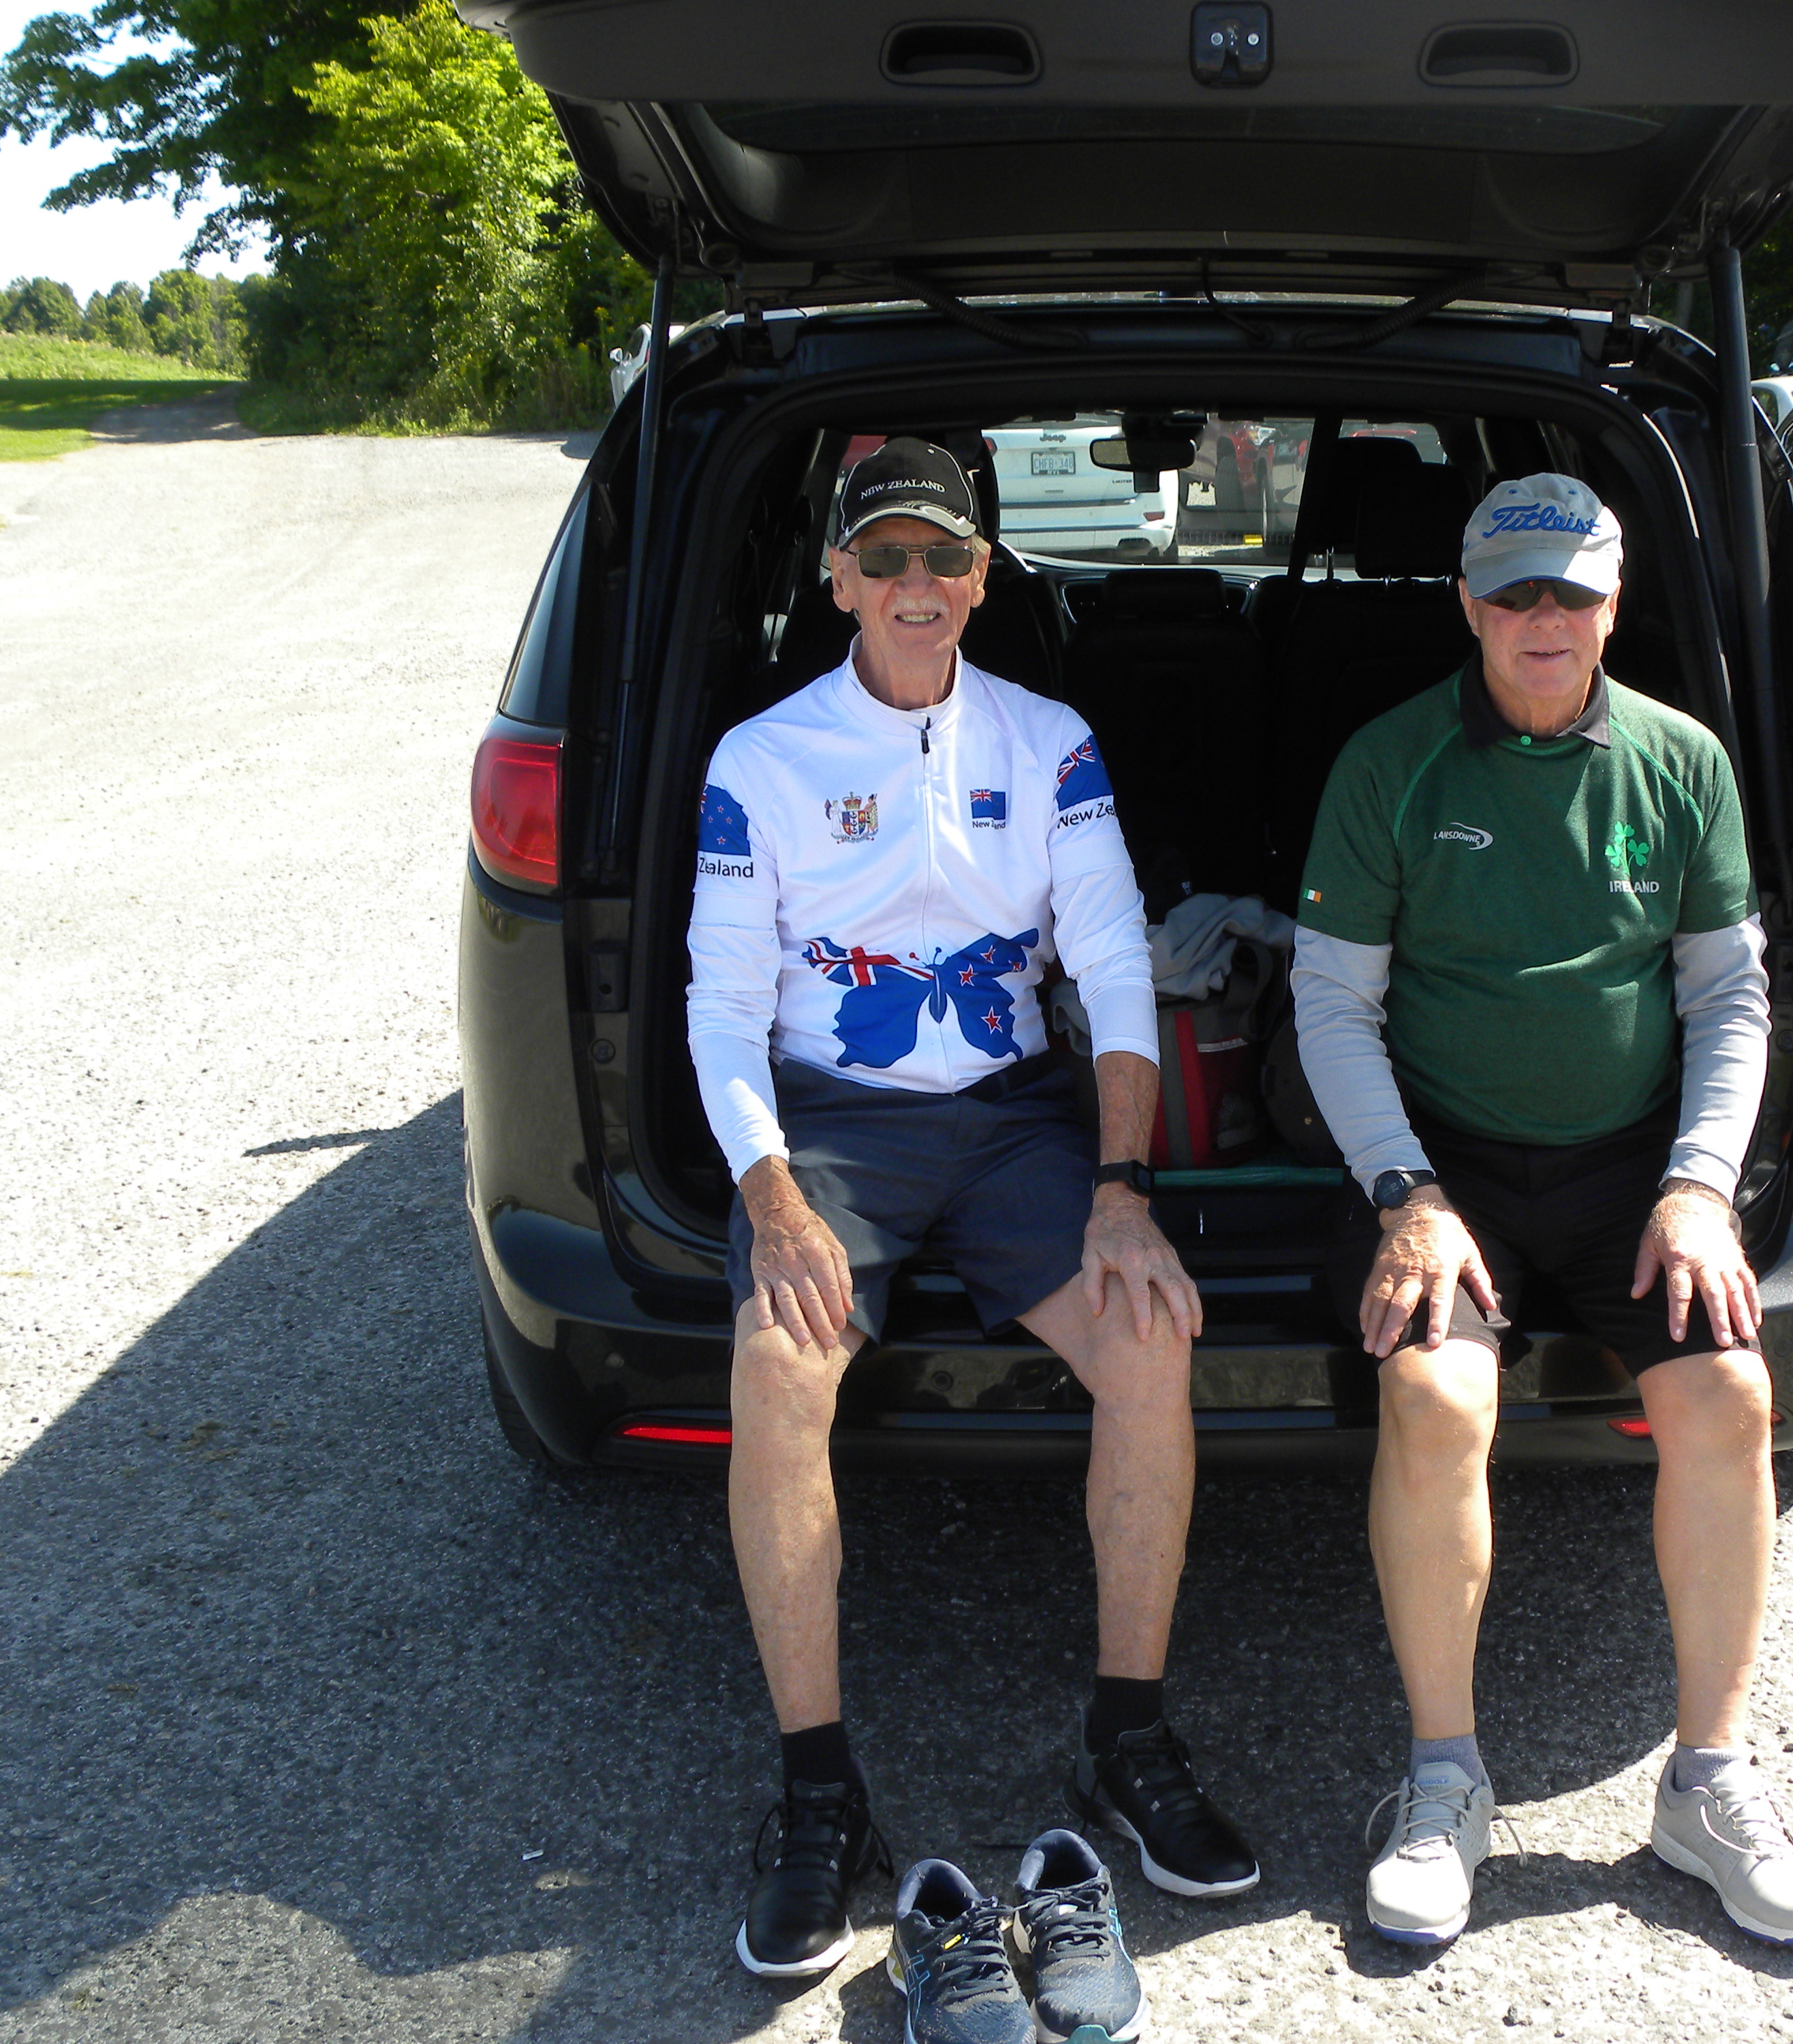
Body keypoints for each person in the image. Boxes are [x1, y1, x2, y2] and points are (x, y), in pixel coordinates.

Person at [687, 438, 1258, 1982]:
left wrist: (1123, 1187)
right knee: (776, 1365)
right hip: (833, 1123)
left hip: (1011, 1117)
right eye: (884, 559)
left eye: (943, 557)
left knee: (1150, 1335)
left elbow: (1115, 960)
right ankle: (820, 1798)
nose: (915, 584)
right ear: (838, 582)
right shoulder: (759, 759)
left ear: (983, 576)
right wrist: (773, 1200)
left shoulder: (1050, 740)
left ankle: (1127, 1742)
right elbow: (721, 1008)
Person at [1290, 473, 1793, 1949]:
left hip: (1629, 1169)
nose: (1546, 617)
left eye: (1574, 591)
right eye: (1516, 591)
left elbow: (1728, 995)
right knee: (1435, 1401)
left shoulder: (1682, 761)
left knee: (1733, 1397)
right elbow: (1330, 1004)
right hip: (1441, 1166)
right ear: (1468, 605)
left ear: (1613, 604)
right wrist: (1405, 1193)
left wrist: (1699, 1186)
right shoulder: (1392, 763)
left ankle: (1708, 1785)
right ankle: (1442, 1781)